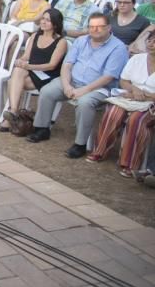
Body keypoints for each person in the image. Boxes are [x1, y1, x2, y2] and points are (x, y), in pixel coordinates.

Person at [27, 13, 129, 158]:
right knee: (47, 91)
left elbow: (108, 77)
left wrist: (83, 90)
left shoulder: (118, 48)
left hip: (99, 88)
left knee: (85, 102)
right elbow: (67, 65)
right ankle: (42, 129)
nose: (96, 29)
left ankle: (80, 144)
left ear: (109, 28)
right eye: (92, 26)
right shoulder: (81, 41)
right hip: (73, 81)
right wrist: (67, 85)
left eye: (100, 26)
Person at [89, 33, 155, 174]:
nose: (151, 44)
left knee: (136, 120)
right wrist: (133, 89)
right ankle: (100, 151)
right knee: (113, 112)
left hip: (151, 103)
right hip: (130, 96)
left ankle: (130, 163)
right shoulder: (137, 59)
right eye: (150, 40)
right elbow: (124, 81)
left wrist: (145, 96)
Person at [0, 9, 68, 132]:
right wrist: (21, 60)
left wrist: (29, 66)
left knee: (12, 82)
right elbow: (27, 56)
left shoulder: (61, 42)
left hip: (47, 75)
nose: (43, 22)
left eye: (48, 20)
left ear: (55, 24)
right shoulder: (36, 36)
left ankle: (10, 117)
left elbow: (52, 65)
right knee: (18, 71)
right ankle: (14, 111)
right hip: (33, 71)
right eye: (43, 19)